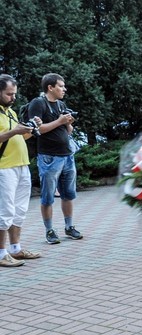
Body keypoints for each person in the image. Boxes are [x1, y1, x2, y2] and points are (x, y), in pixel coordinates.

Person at [27, 73, 82, 244]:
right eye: (61, 86)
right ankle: (49, 230)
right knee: (48, 196)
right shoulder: (38, 103)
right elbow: (38, 129)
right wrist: (59, 121)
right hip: (49, 157)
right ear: (50, 87)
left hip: (67, 156)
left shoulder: (61, 104)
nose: (64, 89)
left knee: (68, 194)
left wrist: (68, 123)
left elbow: (68, 132)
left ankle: (69, 227)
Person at [0, 74, 42, 267]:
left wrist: (28, 131)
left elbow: (17, 138)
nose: (13, 98)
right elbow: (7, 135)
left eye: (14, 94)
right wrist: (14, 131)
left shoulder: (10, 112)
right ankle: (1, 254)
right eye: (9, 94)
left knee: (19, 210)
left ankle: (15, 250)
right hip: (4, 168)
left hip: (21, 166)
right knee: (5, 211)